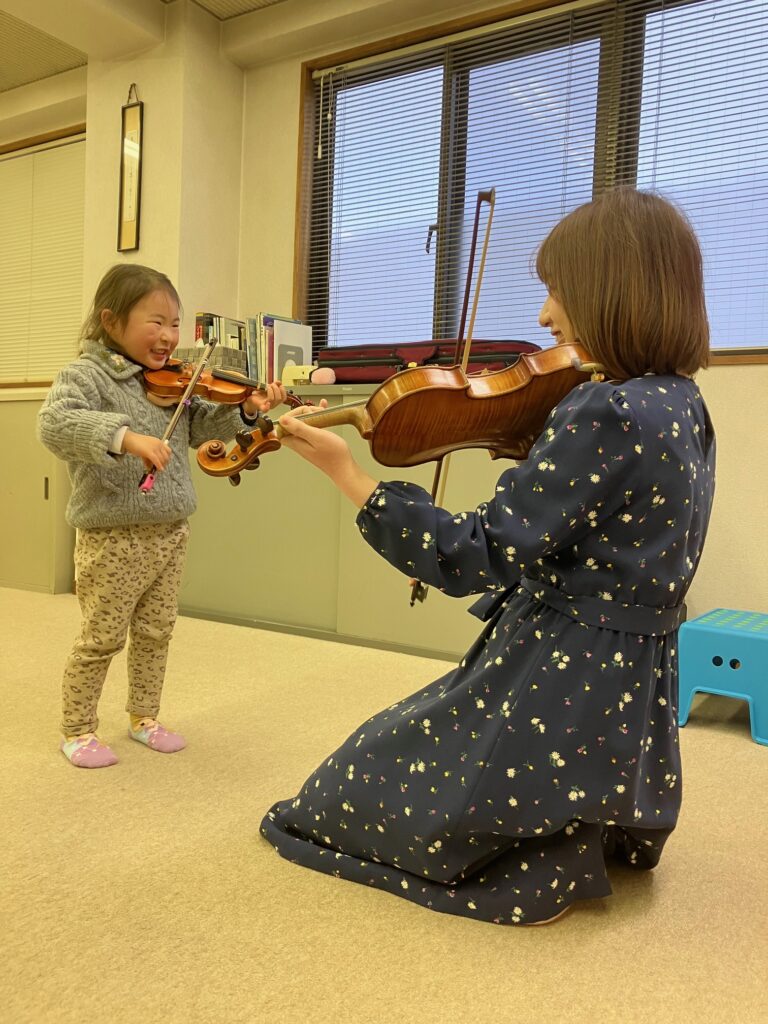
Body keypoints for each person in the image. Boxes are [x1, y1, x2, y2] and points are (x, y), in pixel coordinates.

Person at [260, 188, 716, 926]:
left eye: (556, 292)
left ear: (610, 291)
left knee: (343, 786)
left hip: (561, 671)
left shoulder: (606, 409)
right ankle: (582, 810)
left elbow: (474, 554)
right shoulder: (680, 402)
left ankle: (539, 830)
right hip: (624, 678)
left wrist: (349, 475)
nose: (544, 316)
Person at [38, 264, 287, 769]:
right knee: (102, 636)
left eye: (174, 323)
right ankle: (78, 728)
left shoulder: (175, 380)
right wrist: (125, 437)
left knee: (157, 630)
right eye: (156, 322)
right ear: (111, 321)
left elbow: (201, 427)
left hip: (171, 528)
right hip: (113, 534)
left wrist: (247, 410)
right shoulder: (86, 376)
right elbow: (55, 423)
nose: (169, 336)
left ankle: (143, 717)